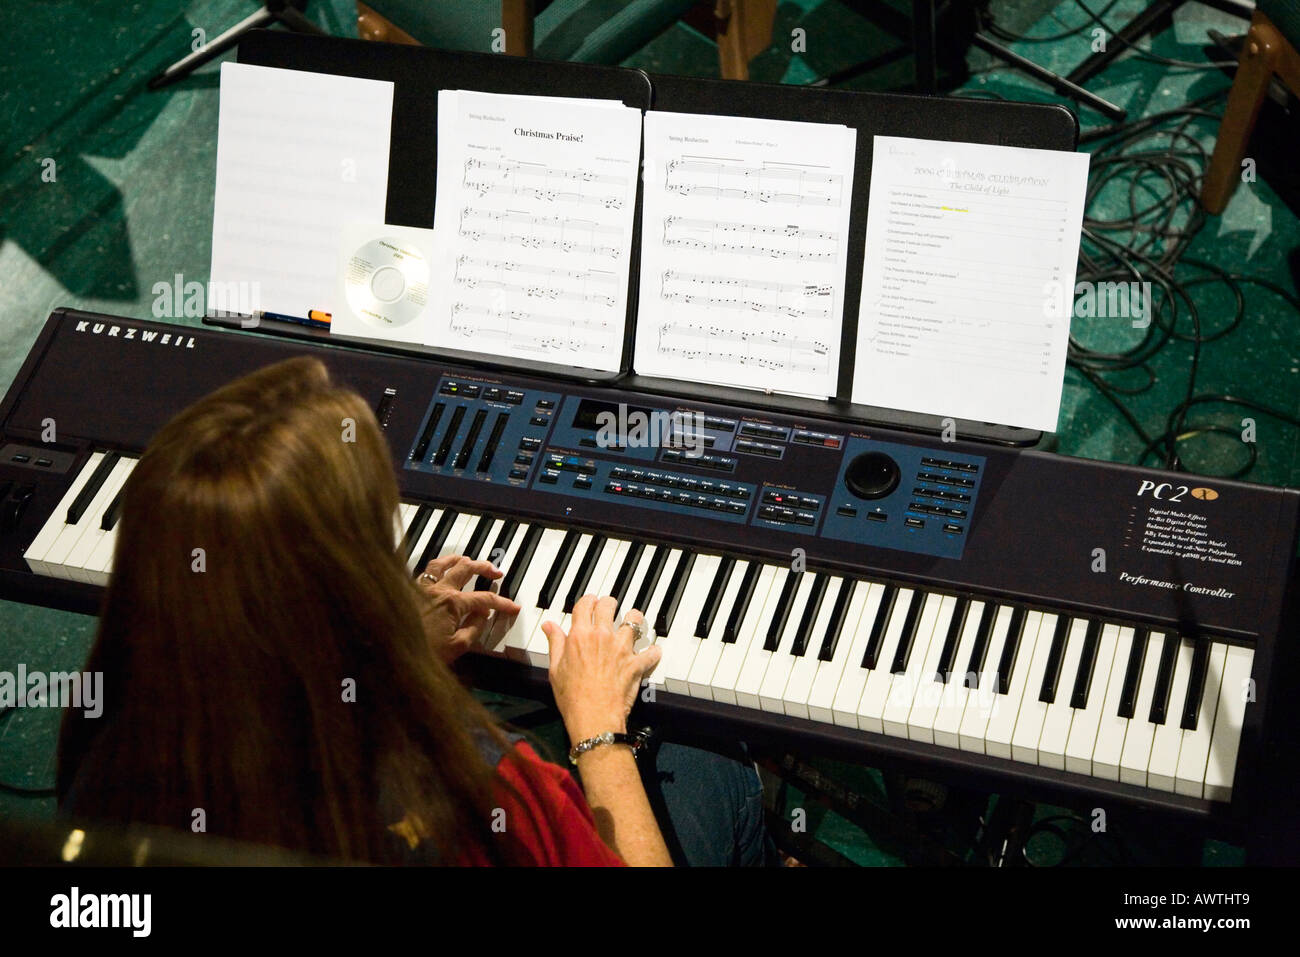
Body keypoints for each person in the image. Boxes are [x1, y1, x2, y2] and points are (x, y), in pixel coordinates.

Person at [57, 356, 772, 866]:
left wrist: (387, 648)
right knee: (708, 760)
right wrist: (596, 731)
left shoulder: (105, 748)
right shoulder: (481, 782)